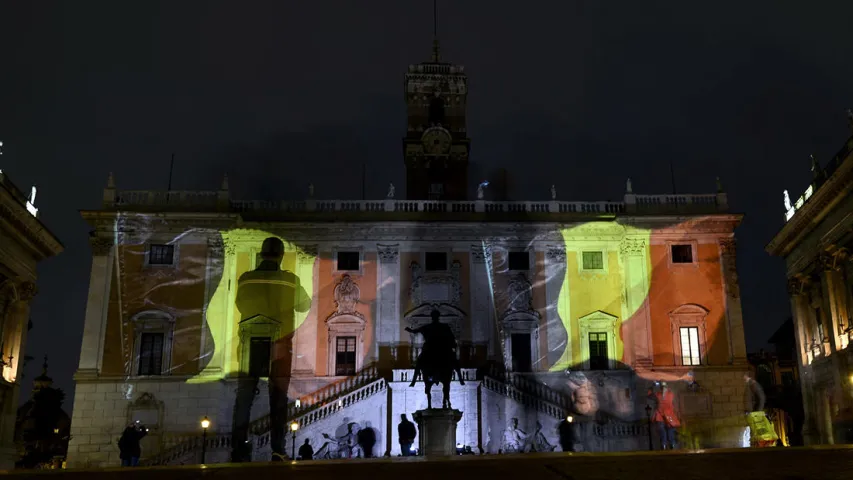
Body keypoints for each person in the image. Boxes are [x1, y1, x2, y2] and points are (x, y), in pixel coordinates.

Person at [231, 237, 311, 462]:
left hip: (250, 343)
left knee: (244, 399)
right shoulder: (289, 281)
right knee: (277, 400)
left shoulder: (246, 279)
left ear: (262, 254)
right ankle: (278, 448)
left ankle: (237, 449)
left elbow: (239, 304)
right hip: (279, 344)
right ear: (281, 256)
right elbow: (305, 304)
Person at [406, 310, 464, 387]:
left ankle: (413, 381)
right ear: (438, 317)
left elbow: (415, 331)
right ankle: (460, 378)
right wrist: (453, 344)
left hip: (430, 349)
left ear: (432, 317)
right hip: (442, 349)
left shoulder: (428, 327)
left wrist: (409, 330)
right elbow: (452, 337)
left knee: (419, 362)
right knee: (454, 360)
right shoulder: (444, 327)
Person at [648, 382, 680, 450]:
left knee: (665, 432)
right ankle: (670, 446)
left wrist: (652, 386)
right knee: (668, 431)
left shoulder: (659, 394)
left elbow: (650, 395)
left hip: (663, 415)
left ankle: (666, 446)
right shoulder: (670, 393)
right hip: (667, 415)